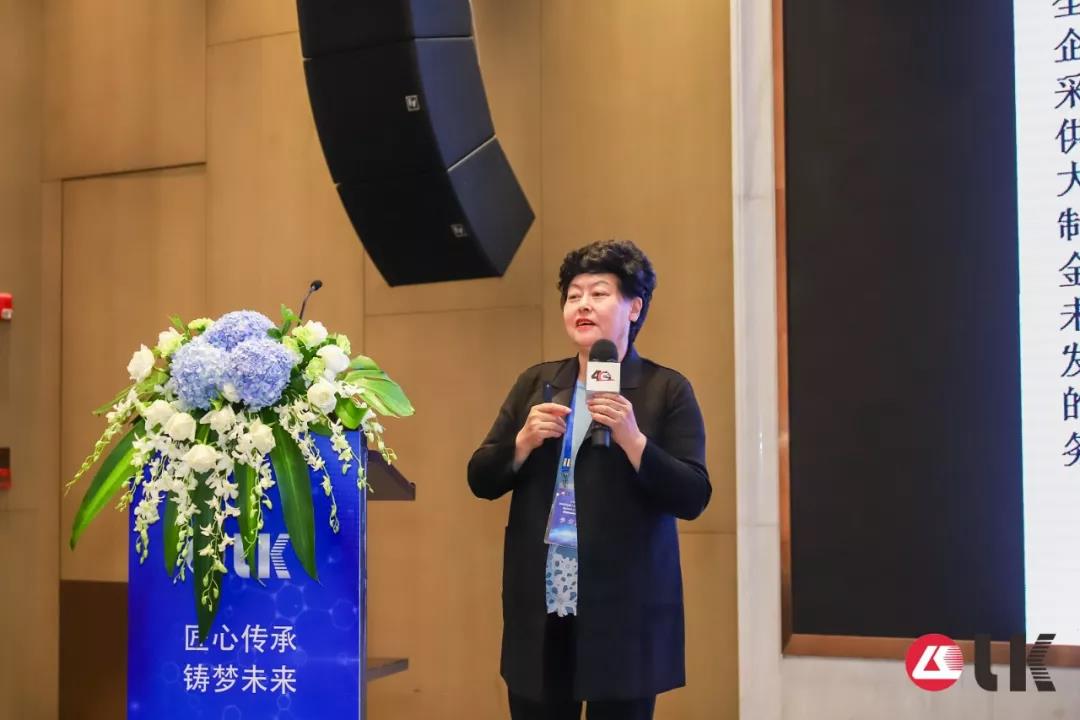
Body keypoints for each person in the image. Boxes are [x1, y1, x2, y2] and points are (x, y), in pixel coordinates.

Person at [467, 239, 711, 720]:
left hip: (624, 611)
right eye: (573, 295)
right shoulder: (537, 384)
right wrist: (522, 443)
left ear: (633, 307)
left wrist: (634, 440)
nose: (582, 304)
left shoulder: (665, 389)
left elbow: (693, 494)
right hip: (544, 604)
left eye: (599, 293)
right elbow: (481, 477)